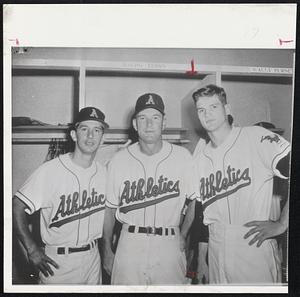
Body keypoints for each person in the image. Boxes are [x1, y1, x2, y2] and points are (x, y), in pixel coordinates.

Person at [191, 84, 290, 284]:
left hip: (252, 241)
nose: (207, 114)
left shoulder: (254, 136)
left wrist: (282, 223)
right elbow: (202, 212)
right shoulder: (200, 156)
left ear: (227, 109)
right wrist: (201, 258)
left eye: (214, 107)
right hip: (216, 244)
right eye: (201, 110)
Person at [102, 93, 196, 285]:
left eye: (155, 118)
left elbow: (195, 200)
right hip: (130, 243)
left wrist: (183, 234)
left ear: (163, 123)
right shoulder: (119, 160)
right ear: (135, 124)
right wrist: (106, 250)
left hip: (169, 241)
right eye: (142, 118)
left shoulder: (183, 156)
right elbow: (109, 209)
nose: (149, 124)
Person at [12, 107, 109, 284]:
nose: (90, 136)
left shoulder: (104, 173)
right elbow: (17, 205)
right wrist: (32, 248)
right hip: (58, 262)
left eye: (97, 130)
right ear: (73, 135)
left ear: (102, 138)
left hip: (93, 259)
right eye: (84, 129)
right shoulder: (50, 170)